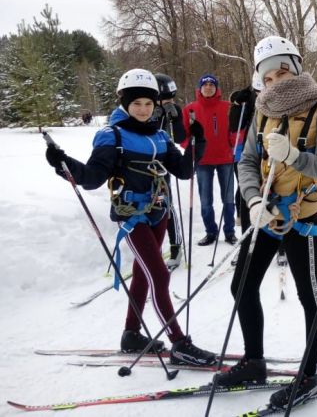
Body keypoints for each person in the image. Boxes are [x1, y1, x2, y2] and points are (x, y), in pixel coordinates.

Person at [44, 69, 217, 365]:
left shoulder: (160, 136)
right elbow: (92, 178)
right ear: (124, 102)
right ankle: (179, 343)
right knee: (159, 274)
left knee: (142, 273)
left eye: (149, 104)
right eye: (136, 103)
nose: (143, 109)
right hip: (131, 215)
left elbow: (185, 171)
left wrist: (197, 143)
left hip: (158, 212)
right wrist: (63, 164)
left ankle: (131, 334)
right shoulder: (112, 135)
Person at [215, 35, 317, 410]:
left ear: (296, 69)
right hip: (266, 213)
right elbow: (247, 161)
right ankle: (254, 361)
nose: (276, 83)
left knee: (310, 296)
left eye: (282, 72)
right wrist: (253, 199)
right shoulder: (263, 109)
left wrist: (294, 155)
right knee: (241, 285)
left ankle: (310, 375)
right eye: (267, 78)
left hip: (301, 215)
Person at [182, 73, 236, 246]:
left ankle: (229, 232)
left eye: (212, 84)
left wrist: (233, 144)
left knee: (228, 198)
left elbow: (237, 130)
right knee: (206, 200)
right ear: (200, 88)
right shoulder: (191, 109)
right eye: (205, 84)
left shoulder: (227, 106)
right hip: (203, 160)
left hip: (225, 158)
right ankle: (211, 232)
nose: (208, 87)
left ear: (216, 88)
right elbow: (185, 134)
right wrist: (191, 149)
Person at [153, 72, 186, 267]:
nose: (169, 102)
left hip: (164, 164)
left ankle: (176, 247)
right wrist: (155, 119)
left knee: (166, 204)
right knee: (149, 206)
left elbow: (180, 137)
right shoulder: (145, 109)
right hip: (145, 163)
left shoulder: (174, 108)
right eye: (165, 99)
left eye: (171, 98)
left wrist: (175, 119)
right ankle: (151, 248)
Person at [228, 82, 257, 234]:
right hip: (240, 153)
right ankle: (241, 215)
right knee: (244, 185)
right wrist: (238, 105)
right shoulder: (240, 107)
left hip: (258, 152)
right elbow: (234, 126)